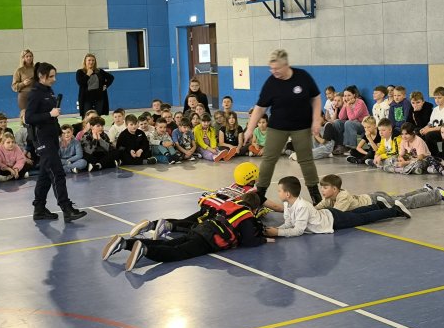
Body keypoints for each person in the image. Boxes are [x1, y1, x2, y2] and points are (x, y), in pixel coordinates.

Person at [102, 192, 268, 271]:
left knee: (169, 243)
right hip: (209, 240)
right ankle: (145, 250)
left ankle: (124, 243)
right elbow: (249, 241)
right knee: (177, 252)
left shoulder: (230, 205)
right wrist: (263, 239)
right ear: (254, 208)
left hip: (200, 228)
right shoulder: (247, 216)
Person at [244, 49, 322, 207]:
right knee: (269, 159)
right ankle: (260, 193)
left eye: (277, 68)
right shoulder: (271, 83)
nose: (274, 72)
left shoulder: (303, 77)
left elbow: (316, 97)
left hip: (301, 126)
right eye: (271, 69)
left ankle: (316, 196)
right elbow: (260, 107)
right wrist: (249, 129)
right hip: (277, 127)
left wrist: (316, 120)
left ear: (286, 65)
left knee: (306, 160)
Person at [125, 162, 262, 240]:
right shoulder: (251, 192)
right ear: (253, 176)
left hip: (209, 203)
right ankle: (167, 226)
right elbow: (267, 205)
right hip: (217, 210)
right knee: (196, 226)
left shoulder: (233, 185)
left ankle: (152, 224)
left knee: (188, 220)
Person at [26, 61, 87, 222]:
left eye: (55, 76)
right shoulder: (35, 93)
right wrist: (49, 114)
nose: (54, 79)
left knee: (45, 175)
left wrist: (58, 129)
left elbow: (51, 116)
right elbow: (29, 118)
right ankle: (66, 209)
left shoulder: (49, 91)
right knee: (57, 172)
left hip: (52, 137)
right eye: (51, 76)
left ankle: (39, 209)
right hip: (42, 139)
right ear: (41, 76)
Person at [262, 176, 411, 238]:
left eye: (279, 191)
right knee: (357, 214)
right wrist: (277, 229)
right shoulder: (288, 204)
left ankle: (395, 211)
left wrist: (278, 233)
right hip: (330, 214)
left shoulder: (301, 206)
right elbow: (289, 223)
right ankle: (378, 205)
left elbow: (298, 230)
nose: (278, 193)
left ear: (288, 194)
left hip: (334, 220)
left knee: (363, 218)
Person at [315, 174, 444, 211]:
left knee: (407, 202)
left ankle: (437, 194)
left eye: (325, 188)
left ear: (335, 189)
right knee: (402, 197)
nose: (322, 190)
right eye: (322, 188)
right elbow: (320, 206)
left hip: (377, 200)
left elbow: (336, 213)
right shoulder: (329, 197)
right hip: (374, 196)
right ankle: (425, 190)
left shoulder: (342, 197)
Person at [420, 87, 444, 156]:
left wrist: (429, 130)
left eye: (439, 98)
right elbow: (430, 123)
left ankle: (437, 155)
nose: (437, 100)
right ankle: (424, 154)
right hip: (435, 131)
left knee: (430, 135)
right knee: (420, 133)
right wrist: (425, 128)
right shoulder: (435, 109)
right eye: (435, 98)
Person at [76, 53, 115, 117]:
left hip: (99, 98)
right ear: (85, 61)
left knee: (97, 117)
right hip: (86, 99)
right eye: (89, 60)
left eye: (93, 60)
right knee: (87, 117)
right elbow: (81, 83)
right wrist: (88, 74)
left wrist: (106, 85)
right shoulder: (80, 72)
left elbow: (111, 77)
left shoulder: (99, 71)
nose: (91, 62)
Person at [332, 85, 369, 151]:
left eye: (349, 95)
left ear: (354, 95)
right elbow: (341, 117)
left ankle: (351, 147)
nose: (347, 98)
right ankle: (340, 145)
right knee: (337, 122)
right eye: (345, 96)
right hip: (353, 123)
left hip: (363, 125)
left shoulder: (360, 102)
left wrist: (348, 105)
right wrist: (344, 105)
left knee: (349, 123)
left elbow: (352, 118)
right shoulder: (347, 103)